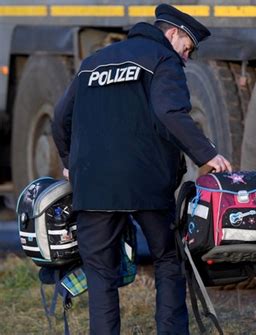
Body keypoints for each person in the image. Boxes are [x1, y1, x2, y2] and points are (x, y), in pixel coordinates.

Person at [52, 4, 232, 334]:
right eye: (187, 48)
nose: (186, 58)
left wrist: (71, 165)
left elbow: (60, 119)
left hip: (93, 185)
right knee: (167, 258)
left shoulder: (92, 63)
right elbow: (169, 113)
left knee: (100, 271)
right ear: (172, 33)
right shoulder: (164, 60)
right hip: (146, 183)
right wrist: (207, 155)